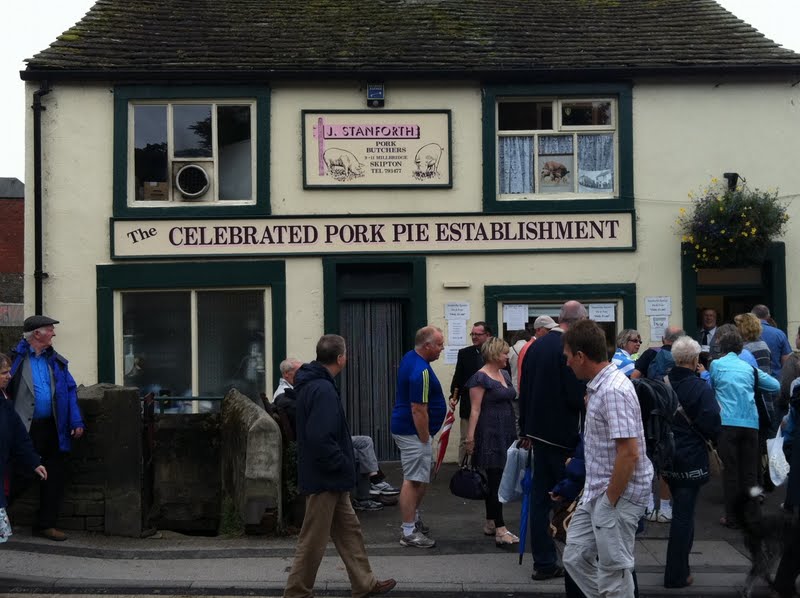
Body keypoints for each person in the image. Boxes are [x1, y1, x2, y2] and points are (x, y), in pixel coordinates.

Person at [283, 335, 396, 598]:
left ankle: (364, 583)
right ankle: (296, 592)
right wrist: (343, 463)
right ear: (341, 358)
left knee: (350, 532)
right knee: (313, 539)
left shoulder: (314, 384)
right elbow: (320, 437)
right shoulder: (322, 389)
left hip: (329, 476)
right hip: (326, 477)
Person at [561, 319, 653, 598]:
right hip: (599, 492)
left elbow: (629, 452)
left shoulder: (613, 390)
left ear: (580, 356)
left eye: (568, 357)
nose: (567, 364)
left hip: (616, 495)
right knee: (574, 557)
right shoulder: (600, 387)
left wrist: (609, 501)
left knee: (614, 571)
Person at [271, 358, 399, 509]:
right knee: (361, 448)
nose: (302, 375)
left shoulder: (296, 390)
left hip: (321, 439)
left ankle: (374, 482)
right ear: (286, 374)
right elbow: (310, 420)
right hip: (319, 443)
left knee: (365, 442)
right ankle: (370, 489)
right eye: (298, 372)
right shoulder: (284, 395)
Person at [518, 301, 586, 580]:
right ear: (579, 321)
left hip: (537, 434)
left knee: (538, 500)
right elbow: (573, 396)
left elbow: (523, 389)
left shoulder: (534, 346)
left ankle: (544, 562)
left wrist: (525, 430)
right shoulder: (567, 348)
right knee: (570, 497)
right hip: (563, 436)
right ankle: (574, 556)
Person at [7, 315, 84, 542]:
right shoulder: (15, 359)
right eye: (50, 329)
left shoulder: (56, 361)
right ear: (36, 334)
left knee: (55, 475)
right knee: (20, 474)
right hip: (24, 428)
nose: (54, 333)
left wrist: (76, 421)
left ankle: (46, 524)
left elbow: (70, 390)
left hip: (53, 427)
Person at [662, 336, 721, 588]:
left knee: (680, 512)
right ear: (696, 360)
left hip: (666, 455)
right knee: (684, 516)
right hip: (691, 457)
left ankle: (681, 567)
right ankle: (676, 574)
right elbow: (712, 424)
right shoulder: (699, 387)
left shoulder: (661, 383)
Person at [707, 324, 779, 529]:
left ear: (722, 348)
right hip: (751, 425)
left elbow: (710, 387)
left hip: (728, 424)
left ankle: (732, 517)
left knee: (731, 473)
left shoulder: (716, 366)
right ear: (740, 349)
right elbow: (774, 385)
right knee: (750, 473)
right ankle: (754, 514)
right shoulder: (749, 368)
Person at [391, 326, 447, 548]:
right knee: (413, 480)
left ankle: (412, 520)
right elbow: (418, 408)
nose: (442, 349)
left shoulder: (410, 358)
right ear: (427, 346)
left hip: (411, 431)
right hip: (414, 433)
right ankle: (408, 531)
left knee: (419, 478)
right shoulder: (420, 371)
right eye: (440, 345)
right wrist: (424, 438)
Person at [464, 337, 518, 546]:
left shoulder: (504, 373)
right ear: (495, 354)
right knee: (495, 480)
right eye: (505, 353)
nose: (508, 356)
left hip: (506, 431)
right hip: (489, 433)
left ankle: (490, 522)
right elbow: (475, 410)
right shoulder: (479, 378)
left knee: (497, 479)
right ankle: (500, 529)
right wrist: (470, 438)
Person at [1, 354, 48, 543]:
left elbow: (18, 435)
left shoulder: (5, 402)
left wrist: (34, 461)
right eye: (4, 372)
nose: (9, 376)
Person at [450, 322, 490, 461]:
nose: (474, 337)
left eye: (477, 334)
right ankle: (464, 471)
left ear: (487, 335)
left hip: (489, 405)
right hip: (469, 405)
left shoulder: (495, 353)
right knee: (466, 439)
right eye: (472, 334)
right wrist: (453, 396)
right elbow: (458, 378)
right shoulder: (464, 354)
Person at [516, 315, 558, 391]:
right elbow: (522, 376)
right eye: (548, 329)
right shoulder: (529, 347)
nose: (551, 332)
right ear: (538, 329)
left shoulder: (539, 345)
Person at [751, 304, 791, 382]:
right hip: (775, 380)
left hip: (753, 381)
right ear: (768, 316)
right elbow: (786, 361)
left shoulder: (746, 334)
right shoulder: (779, 334)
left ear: (752, 316)